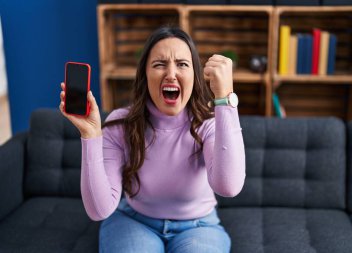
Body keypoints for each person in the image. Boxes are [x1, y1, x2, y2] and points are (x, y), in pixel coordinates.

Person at [59, 26, 245, 253]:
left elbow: (229, 186)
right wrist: (90, 135)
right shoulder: (121, 123)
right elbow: (99, 210)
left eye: (182, 64)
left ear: (195, 76)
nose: (171, 73)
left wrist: (225, 98)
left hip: (199, 226)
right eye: (159, 64)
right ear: (145, 75)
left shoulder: (208, 124)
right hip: (133, 221)